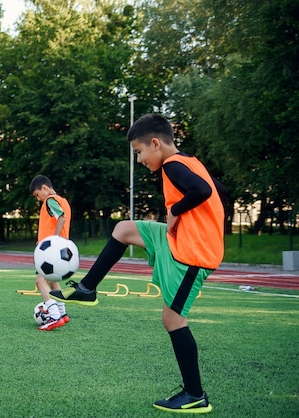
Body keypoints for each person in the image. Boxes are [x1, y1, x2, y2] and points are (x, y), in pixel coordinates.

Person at [51, 114, 225, 414]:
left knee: (172, 320)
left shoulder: (172, 165)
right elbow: (218, 190)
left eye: (139, 152)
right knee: (123, 230)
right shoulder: (189, 162)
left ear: (155, 143)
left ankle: (195, 394)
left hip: (193, 253)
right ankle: (87, 288)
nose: (140, 159)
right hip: (178, 239)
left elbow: (204, 192)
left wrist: (178, 211)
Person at [29, 175, 71, 331]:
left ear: (44, 188)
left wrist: (52, 240)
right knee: (53, 281)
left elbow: (61, 217)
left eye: (37, 195)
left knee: (40, 281)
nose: (38, 199)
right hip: (61, 249)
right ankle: (62, 313)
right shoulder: (64, 201)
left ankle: (54, 317)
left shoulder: (50, 200)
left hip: (53, 250)